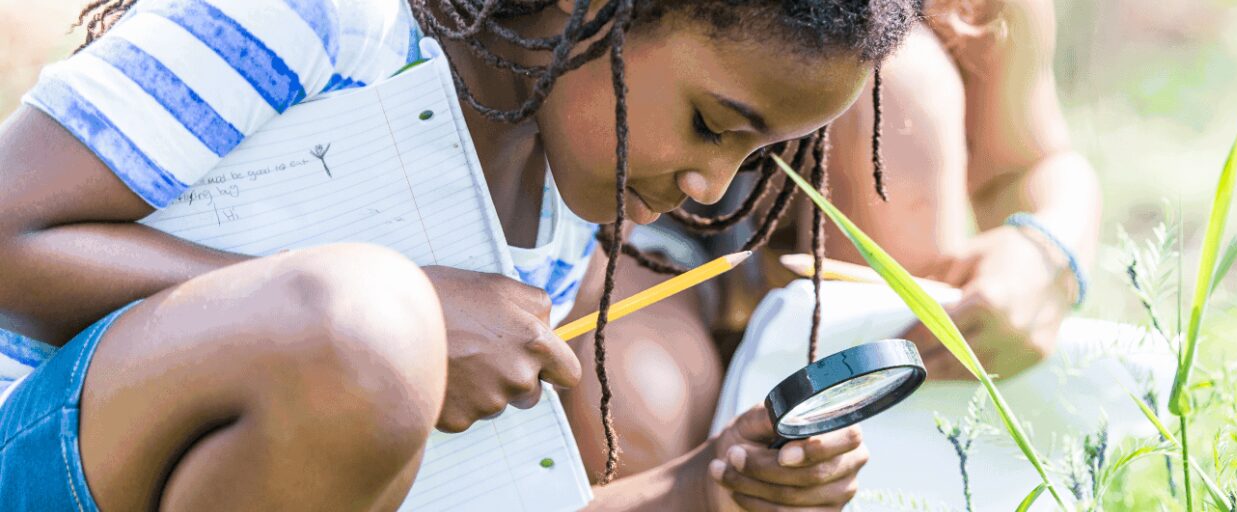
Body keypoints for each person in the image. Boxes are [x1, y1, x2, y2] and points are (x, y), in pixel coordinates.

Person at [0, 0, 922, 510]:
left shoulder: (556, 215)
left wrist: (702, 488)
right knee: (363, 326)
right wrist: (407, 312)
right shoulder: (319, 18)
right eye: (710, 125)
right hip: (39, 455)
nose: (712, 190)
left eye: (756, 159)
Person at [554, 0, 1102, 486]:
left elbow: (1031, 161)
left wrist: (1047, 251)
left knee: (902, 86)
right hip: (640, 229)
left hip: (836, 250)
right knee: (633, 416)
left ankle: (888, 442)